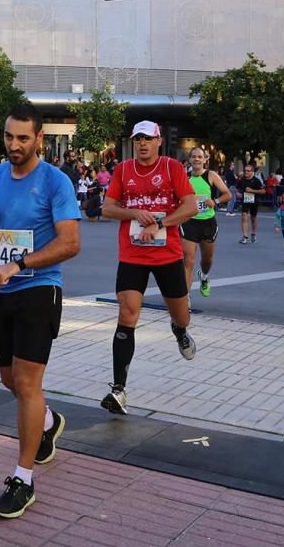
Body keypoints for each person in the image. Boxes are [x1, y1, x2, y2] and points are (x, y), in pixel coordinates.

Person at [0, 103, 81, 519]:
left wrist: (20, 263)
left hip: (40, 288)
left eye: (23, 138)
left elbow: (70, 243)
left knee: (28, 382)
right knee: (10, 380)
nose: (14, 145)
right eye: (9, 137)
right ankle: (47, 422)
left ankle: (22, 479)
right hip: (2, 289)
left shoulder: (55, 182)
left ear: (39, 139)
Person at [101, 121, 199, 418]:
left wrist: (159, 223)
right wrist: (134, 212)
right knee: (127, 314)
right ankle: (119, 389)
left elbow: (191, 206)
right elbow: (107, 208)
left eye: (148, 139)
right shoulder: (123, 170)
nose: (142, 144)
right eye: (137, 139)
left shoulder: (171, 168)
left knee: (182, 315)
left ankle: (179, 329)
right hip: (132, 255)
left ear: (159, 142)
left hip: (167, 255)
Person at [181, 146, 230, 298]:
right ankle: (185, 298)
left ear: (204, 160)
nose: (196, 159)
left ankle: (204, 276)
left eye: (199, 157)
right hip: (189, 222)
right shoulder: (184, 177)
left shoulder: (211, 175)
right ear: (189, 159)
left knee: (207, 260)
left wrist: (214, 201)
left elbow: (227, 194)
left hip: (208, 223)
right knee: (188, 261)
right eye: (193, 156)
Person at [235, 164, 266, 244]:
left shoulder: (256, 180)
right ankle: (245, 236)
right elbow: (237, 188)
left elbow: (263, 191)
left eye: (248, 171)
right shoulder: (242, 180)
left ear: (252, 172)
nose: (246, 172)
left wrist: (252, 191)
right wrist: (238, 193)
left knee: (253, 218)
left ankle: (253, 233)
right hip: (245, 200)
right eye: (245, 171)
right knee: (244, 216)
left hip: (254, 201)